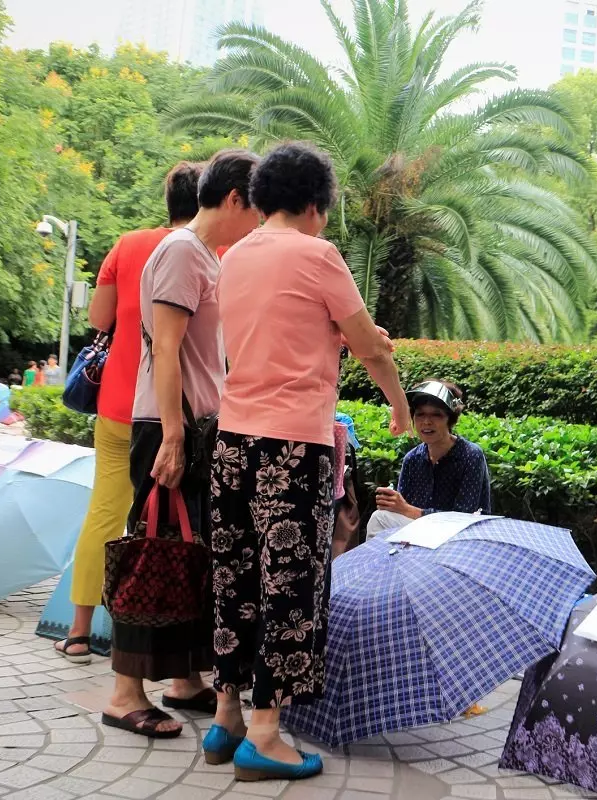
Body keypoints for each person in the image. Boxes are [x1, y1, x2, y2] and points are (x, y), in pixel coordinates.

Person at [206, 141, 409, 779]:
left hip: (232, 443)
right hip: (293, 447)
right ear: (316, 205)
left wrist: (337, 338)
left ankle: (225, 716)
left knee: (236, 579)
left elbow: (271, 335)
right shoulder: (318, 255)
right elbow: (371, 348)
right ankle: (265, 737)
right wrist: (399, 403)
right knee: (289, 585)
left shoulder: (232, 258)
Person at [101, 149, 261, 741]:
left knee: (188, 552)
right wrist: (172, 435)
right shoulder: (180, 252)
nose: (260, 222)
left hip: (192, 426)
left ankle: (183, 679)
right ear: (235, 199)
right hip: (169, 426)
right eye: (257, 208)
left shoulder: (204, 256)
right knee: (153, 551)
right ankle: (124, 694)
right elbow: (164, 348)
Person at [52, 162, 203, 667]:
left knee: (104, 512)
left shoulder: (128, 244)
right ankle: (149, 641)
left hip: (117, 403)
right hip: (173, 412)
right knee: (169, 523)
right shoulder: (209, 252)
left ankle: (79, 631)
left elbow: (99, 318)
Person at [366, 380, 492, 538]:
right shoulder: (412, 459)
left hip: (462, 537)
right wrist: (393, 504)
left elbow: (463, 517)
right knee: (380, 518)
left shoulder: (470, 455)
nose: (426, 422)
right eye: (420, 414)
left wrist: (407, 509)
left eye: (436, 415)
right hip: (421, 533)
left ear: (450, 419)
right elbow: (402, 510)